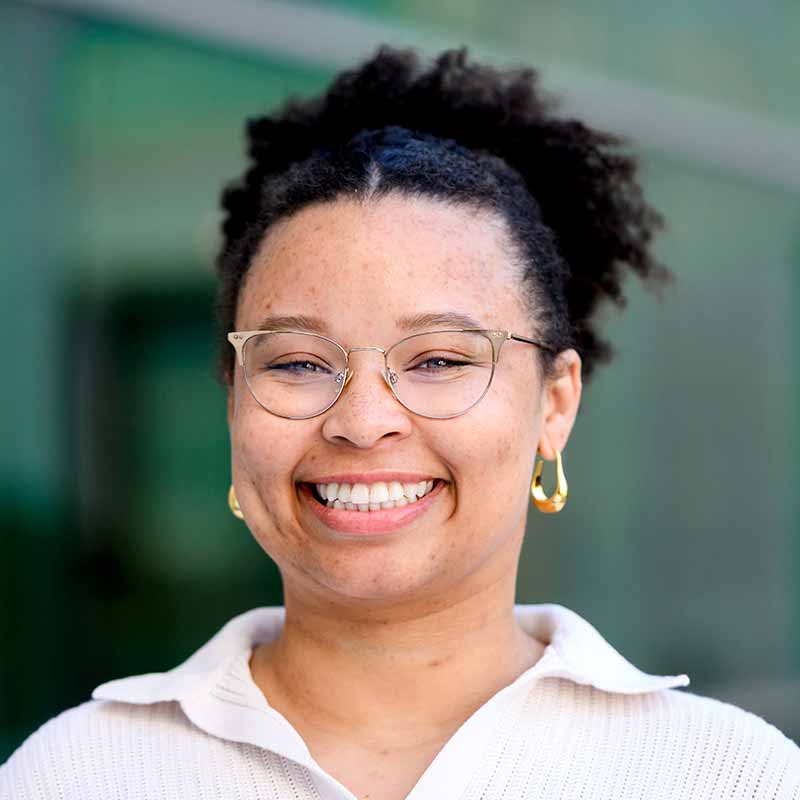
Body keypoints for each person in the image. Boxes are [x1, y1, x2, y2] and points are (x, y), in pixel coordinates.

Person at [2, 45, 798, 800]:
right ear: (233, 400)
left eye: (441, 360)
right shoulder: (79, 774)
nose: (363, 421)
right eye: (298, 363)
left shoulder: (725, 777)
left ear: (554, 402)